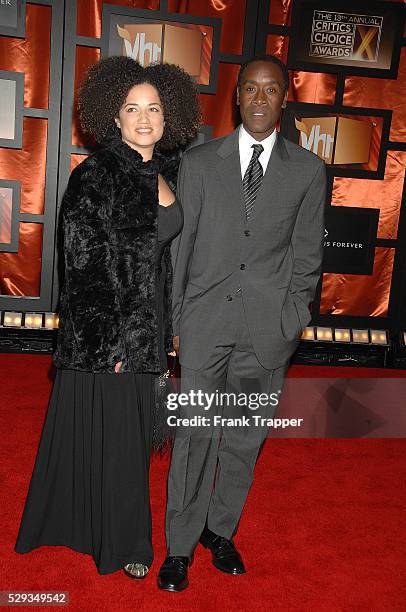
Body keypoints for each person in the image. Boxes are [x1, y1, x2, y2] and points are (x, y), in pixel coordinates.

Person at [15, 56, 200, 578]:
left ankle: (87, 525)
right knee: (120, 445)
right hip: (114, 343)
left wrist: (164, 334)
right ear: (113, 117)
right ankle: (129, 547)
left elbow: (158, 262)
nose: (145, 118)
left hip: (148, 334)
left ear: (170, 116)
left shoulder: (162, 169)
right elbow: (83, 267)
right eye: (132, 108)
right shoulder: (97, 174)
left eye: (155, 108)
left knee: (128, 440)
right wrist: (111, 346)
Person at [157, 55, 326, 591]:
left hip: (266, 333)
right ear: (236, 96)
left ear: (283, 100)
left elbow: (307, 258)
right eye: (249, 88)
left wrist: (292, 318)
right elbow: (181, 248)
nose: (258, 98)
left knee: (244, 438)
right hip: (205, 325)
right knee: (195, 437)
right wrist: (177, 321)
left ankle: (220, 530)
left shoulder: (308, 170)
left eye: (269, 89)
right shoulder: (200, 162)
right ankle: (180, 546)